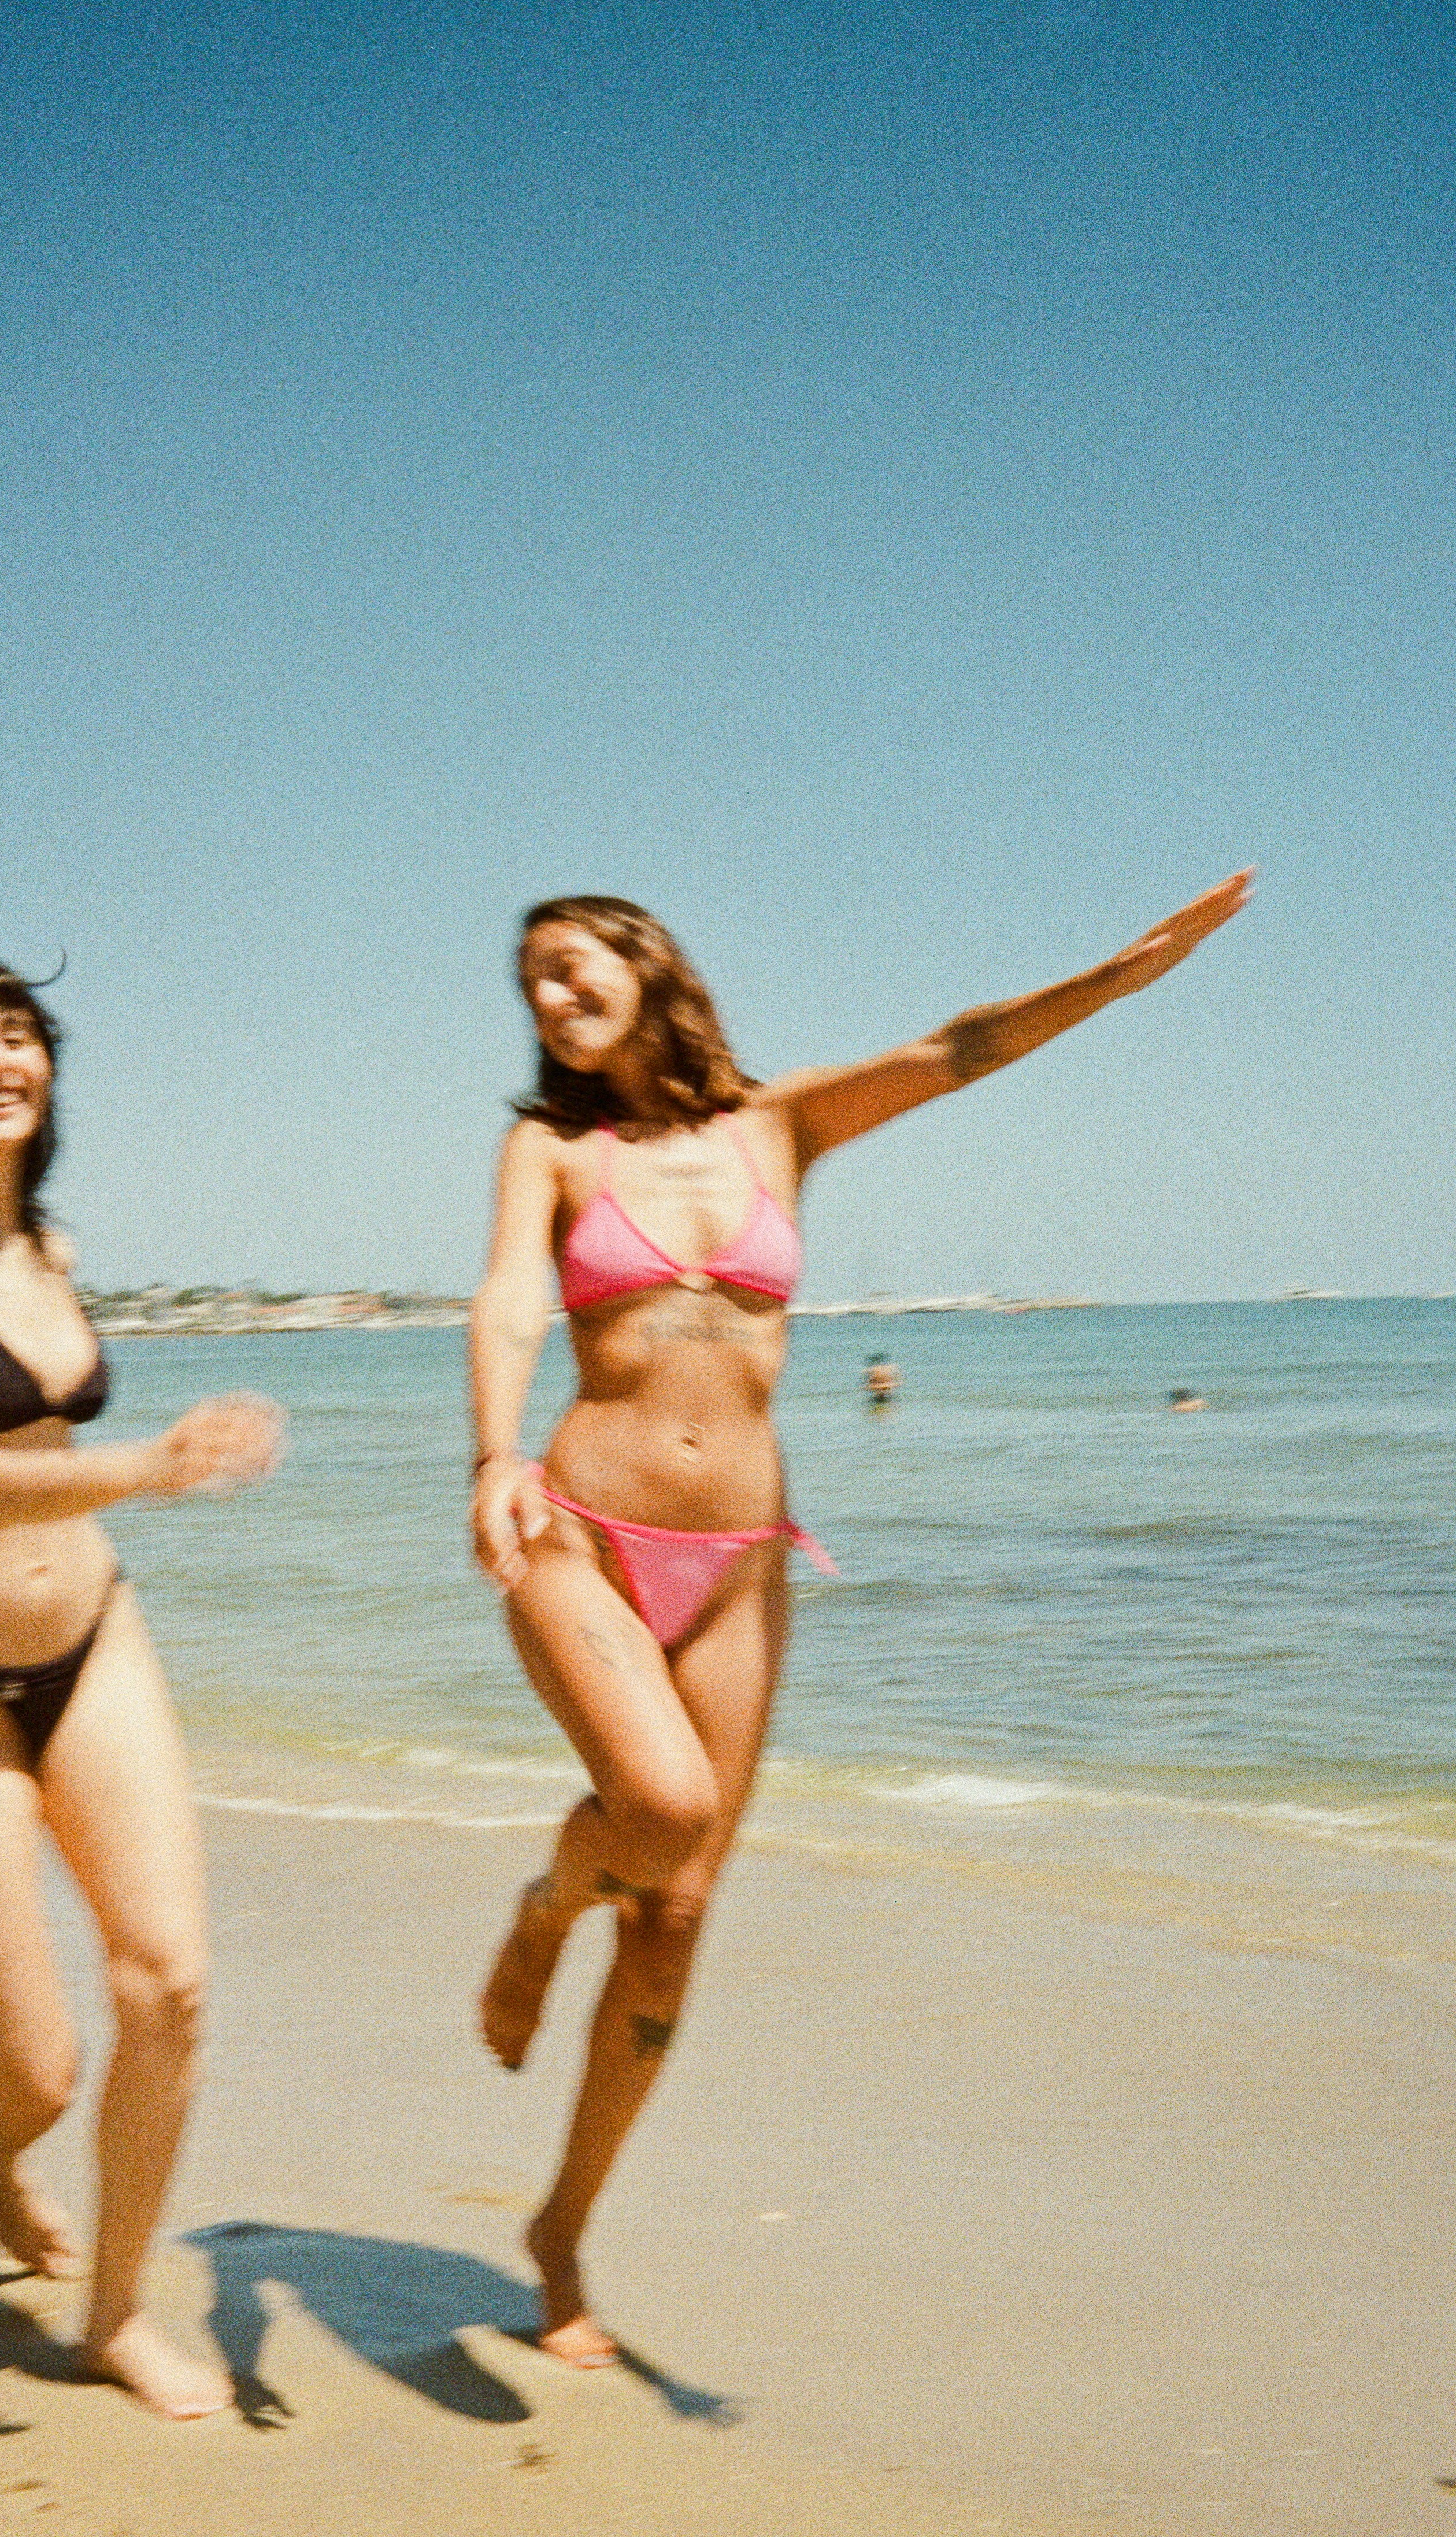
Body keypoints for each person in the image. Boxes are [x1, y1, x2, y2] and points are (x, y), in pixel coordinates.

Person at [469, 872, 1250, 2366]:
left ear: (643, 963)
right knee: (657, 1808)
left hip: (739, 1559)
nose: (550, 1001)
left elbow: (953, 1051)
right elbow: (510, 1298)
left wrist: (1116, 974)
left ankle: (561, 2230)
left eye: (568, 967)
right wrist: (490, 1452)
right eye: (530, 987)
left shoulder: (778, 1124)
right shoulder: (549, 1148)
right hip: (580, 1531)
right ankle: (545, 1909)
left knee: (677, 1916)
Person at [0, 949, 282, 2418]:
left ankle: (114, 2314)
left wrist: (138, 1483)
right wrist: (154, 1464)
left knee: (172, 1984)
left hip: (95, 1642)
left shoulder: (48, 1247)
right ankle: (2, 2151)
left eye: (17, 1033)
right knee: (42, 2064)